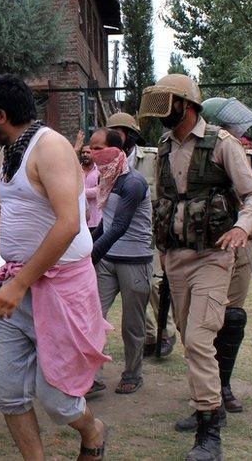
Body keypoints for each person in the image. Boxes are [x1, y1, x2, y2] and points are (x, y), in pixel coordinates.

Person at [0, 74, 110, 460]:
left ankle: (93, 431)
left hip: (60, 288)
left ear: (0, 115)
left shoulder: (51, 148)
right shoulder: (8, 155)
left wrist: (17, 286)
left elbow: (68, 223)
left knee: (58, 400)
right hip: (15, 286)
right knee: (9, 393)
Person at [139, 74, 252, 460]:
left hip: (213, 256)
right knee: (188, 334)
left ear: (188, 104)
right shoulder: (163, 147)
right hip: (176, 258)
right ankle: (205, 404)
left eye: (169, 103)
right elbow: (163, 200)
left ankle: (208, 432)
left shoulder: (222, 144)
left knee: (197, 338)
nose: (163, 112)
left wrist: (242, 229)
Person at [87, 127, 153, 396]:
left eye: (98, 148)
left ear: (117, 149)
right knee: (93, 319)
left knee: (132, 325)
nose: (92, 154)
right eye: (91, 148)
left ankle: (133, 373)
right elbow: (106, 224)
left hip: (134, 261)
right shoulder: (108, 181)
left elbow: (119, 228)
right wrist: (85, 246)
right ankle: (90, 378)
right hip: (108, 260)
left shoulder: (132, 182)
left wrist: (89, 256)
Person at [106, 111, 176, 358]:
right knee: (134, 290)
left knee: (155, 286)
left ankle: (166, 333)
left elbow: (167, 194)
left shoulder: (152, 159)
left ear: (130, 136)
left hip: (151, 234)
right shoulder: (104, 163)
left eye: (118, 132)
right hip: (117, 237)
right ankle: (148, 335)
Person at [79, 144, 103, 230]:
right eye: (83, 152)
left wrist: (79, 193)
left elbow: (100, 191)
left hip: (97, 220)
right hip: (79, 221)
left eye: (88, 152)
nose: (85, 154)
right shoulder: (76, 169)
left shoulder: (100, 170)